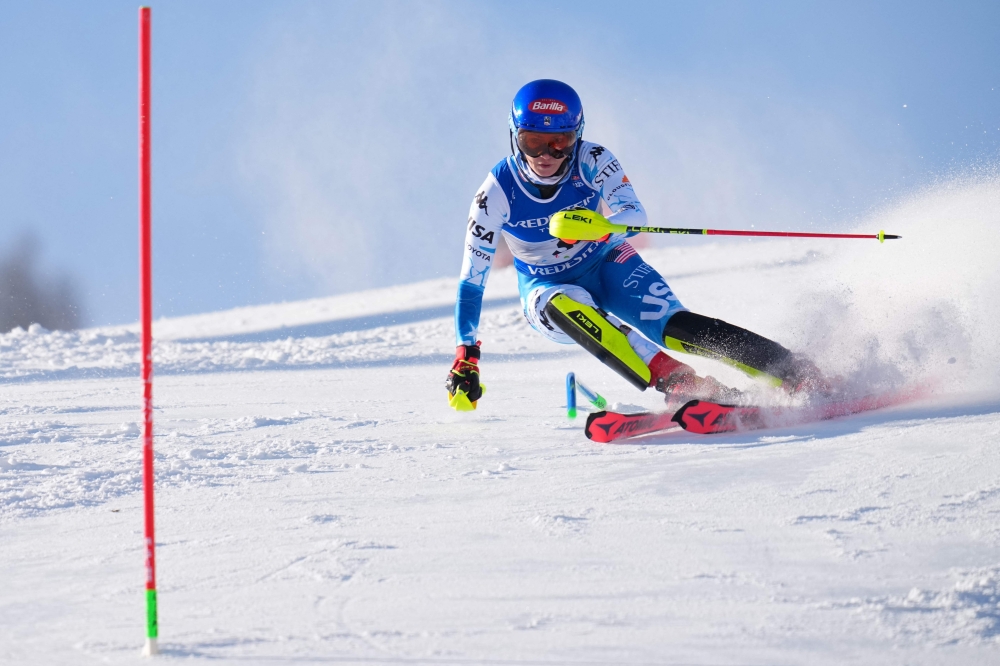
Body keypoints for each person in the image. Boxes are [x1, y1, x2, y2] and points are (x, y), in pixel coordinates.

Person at [445, 79, 824, 412]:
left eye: (559, 142)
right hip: (546, 287)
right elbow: (471, 281)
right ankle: (680, 382)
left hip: (607, 262)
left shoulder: (593, 158)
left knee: (674, 327)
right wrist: (467, 356)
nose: (546, 156)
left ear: (576, 136)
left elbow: (634, 215)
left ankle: (795, 372)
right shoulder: (496, 191)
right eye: (533, 142)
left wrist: (600, 228)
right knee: (563, 305)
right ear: (515, 136)